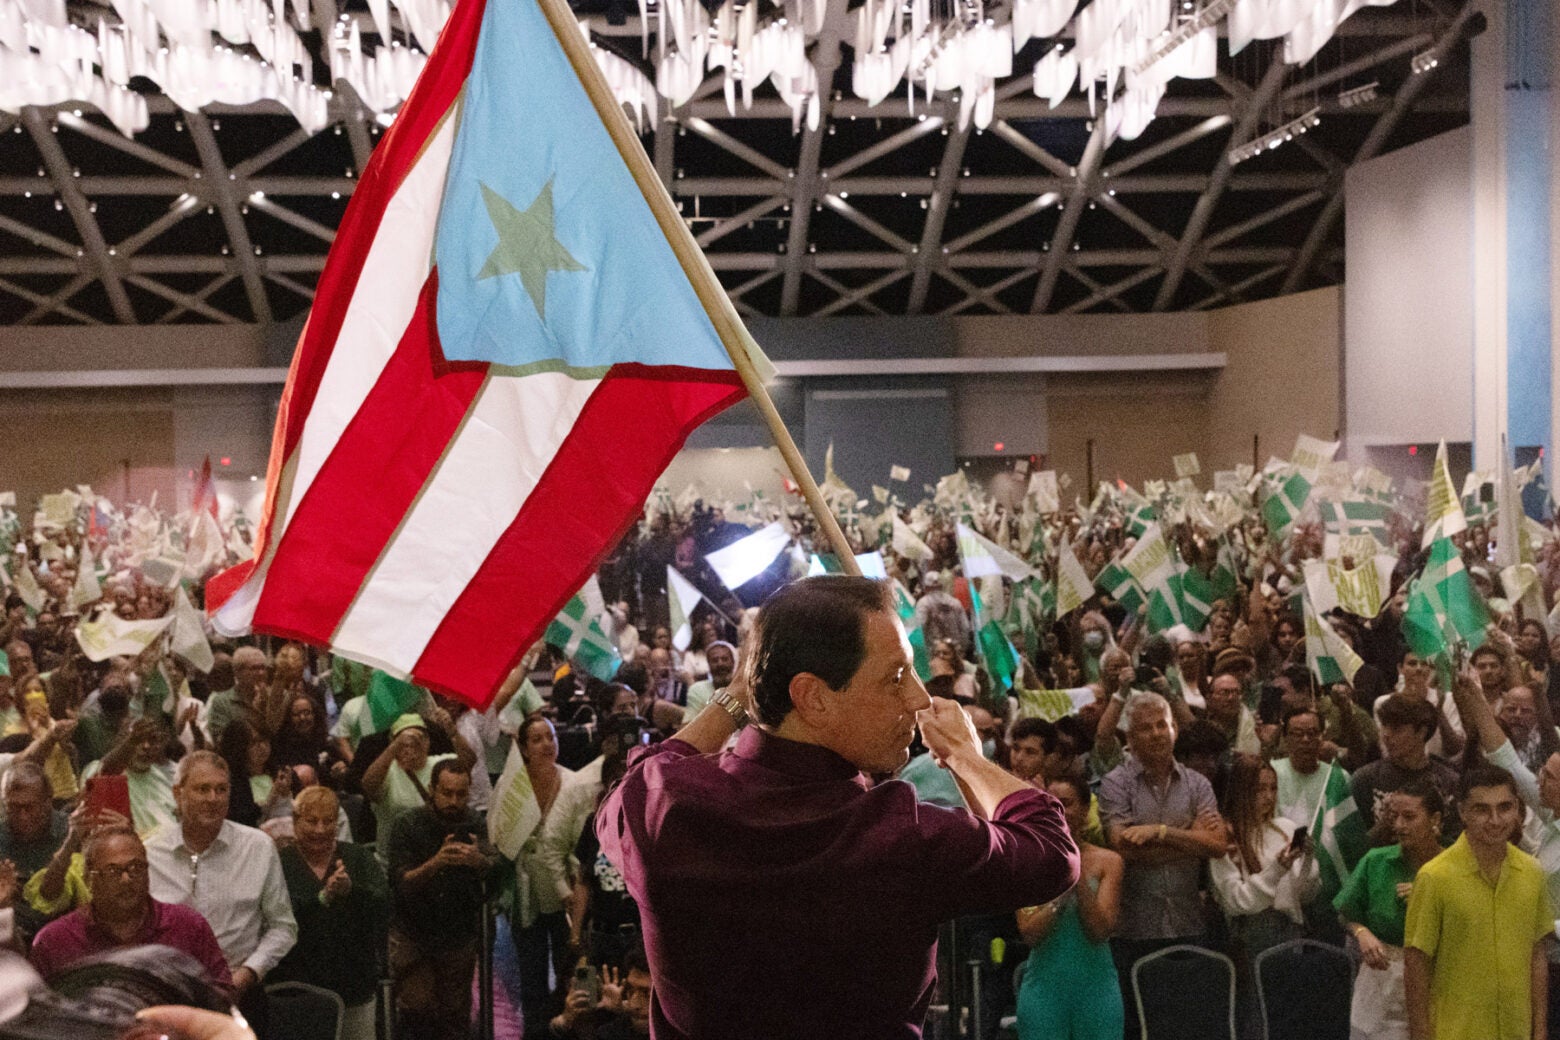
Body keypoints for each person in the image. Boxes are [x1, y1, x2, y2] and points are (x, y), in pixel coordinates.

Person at [598, 575, 1078, 1039]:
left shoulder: (661, 806)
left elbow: (646, 771)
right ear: (812, 697)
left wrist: (740, 696)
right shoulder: (897, 838)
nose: (918, 697)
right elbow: (1052, 851)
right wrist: (965, 757)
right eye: (895, 676)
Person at [146, 750, 297, 1039]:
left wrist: (246, 976)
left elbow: (283, 927)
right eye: (203, 789)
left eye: (221, 789)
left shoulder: (258, 848)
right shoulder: (151, 853)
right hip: (169, 997)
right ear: (178, 794)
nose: (213, 799)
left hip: (241, 994)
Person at [1098, 689, 1227, 1024]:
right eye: (1146, 727)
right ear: (1129, 736)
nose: (1157, 733)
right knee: (1141, 1026)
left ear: (1175, 729)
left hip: (1189, 924)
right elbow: (1124, 850)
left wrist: (1162, 832)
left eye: (1163, 725)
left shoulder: (1197, 784)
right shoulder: (1115, 784)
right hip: (1135, 931)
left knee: (1187, 1026)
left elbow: (1216, 846)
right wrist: (1191, 835)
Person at [1405, 764, 1554, 1040]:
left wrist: (1540, 1029)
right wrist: (1420, 1034)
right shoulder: (1434, 877)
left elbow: (1537, 954)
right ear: (1462, 812)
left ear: (1518, 809)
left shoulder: (1533, 873)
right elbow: (1416, 962)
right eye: (1482, 809)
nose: (1495, 820)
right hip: (1454, 1032)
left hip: (1516, 1031)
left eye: (1505, 807)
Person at [29, 825, 232, 989]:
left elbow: (223, 995)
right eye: (112, 870)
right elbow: (35, 1020)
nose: (126, 879)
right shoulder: (55, 942)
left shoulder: (187, 926)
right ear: (88, 879)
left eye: (135, 868)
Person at [385, 760, 499, 1040]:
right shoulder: (407, 825)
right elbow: (401, 883)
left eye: (461, 794)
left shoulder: (474, 823)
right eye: (447, 793)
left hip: (457, 933)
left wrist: (479, 861)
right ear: (432, 790)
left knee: (454, 1014)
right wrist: (435, 863)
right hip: (414, 933)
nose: (453, 801)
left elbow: (496, 873)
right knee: (417, 1008)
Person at [1211, 755, 1319, 1034]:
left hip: (1291, 930)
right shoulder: (1226, 836)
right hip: (1252, 936)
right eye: (1259, 789)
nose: (1268, 796)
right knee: (1256, 1018)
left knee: (1290, 1016)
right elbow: (1237, 901)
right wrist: (1277, 868)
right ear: (1241, 791)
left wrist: (1307, 860)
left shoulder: (1284, 828)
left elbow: (1303, 895)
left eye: (1273, 788)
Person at [272, 786, 388, 1040]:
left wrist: (351, 891)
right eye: (311, 821)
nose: (320, 829)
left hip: (354, 989)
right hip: (296, 992)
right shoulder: (279, 862)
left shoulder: (358, 858)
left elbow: (383, 907)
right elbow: (278, 917)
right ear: (295, 821)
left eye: (328, 821)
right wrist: (323, 898)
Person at [1015, 774, 1123, 1040]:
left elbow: (1099, 931)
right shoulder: (1029, 861)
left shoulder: (1109, 861)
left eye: (1067, 803)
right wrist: (1062, 888)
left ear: (1086, 809)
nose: (1059, 811)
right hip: (1044, 992)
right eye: (1052, 804)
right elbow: (1029, 933)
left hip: (1096, 990)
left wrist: (1077, 871)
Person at [1335, 782, 1444, 1040]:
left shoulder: (1453, 868)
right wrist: (1361, 932)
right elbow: (1345, 912)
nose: (1399, 825)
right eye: (1395, 817)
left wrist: (1430, 896)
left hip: (1436, 983)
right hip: (1380, 981)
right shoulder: (1376, 861)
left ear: (1435, 819)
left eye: (1409, 817)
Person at [505, 715, 583, 1032]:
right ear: (523, 748)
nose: (546, 744)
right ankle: (535, 1032)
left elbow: (580, 839)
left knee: (567, 970)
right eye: (536, 739)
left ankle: (566, 1030)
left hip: (564, 887)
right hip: (525, 890)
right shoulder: (512, 787)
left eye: (551, 737)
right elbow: (501, 835)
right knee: (531, 974)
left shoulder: (573, 782)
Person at [362, 708, 477, 848]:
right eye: (404, 741)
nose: (411, 745)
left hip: (439, 849)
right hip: (397, 857)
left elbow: (468, 761)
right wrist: (396, 745)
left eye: (419, 739)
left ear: (428, 741)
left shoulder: (440, 764)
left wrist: (453, 732)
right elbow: (368, 786)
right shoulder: (386, 771)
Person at [1352, 695, 1460, 842]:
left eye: (1397, 729)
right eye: (1384, 725)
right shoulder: (1365, 780)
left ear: (1421, 732)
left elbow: (1456, 843)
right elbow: (1352, 849)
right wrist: (1384, 826)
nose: (1386, 735)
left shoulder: (1449, 783)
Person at [683, 640, 736, 717]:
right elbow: (689, 725)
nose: (720, 664)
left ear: (733, 662)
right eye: (715, 660)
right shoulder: (697, 691)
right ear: (708, 664)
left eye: (725, 659)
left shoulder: (744, 688)